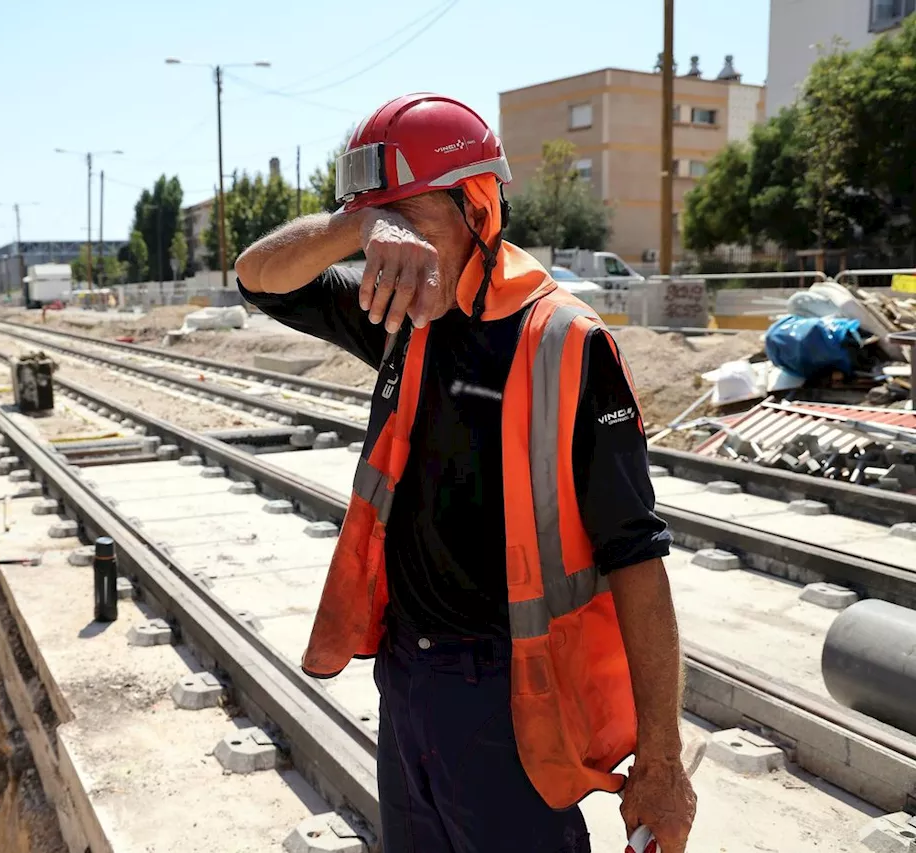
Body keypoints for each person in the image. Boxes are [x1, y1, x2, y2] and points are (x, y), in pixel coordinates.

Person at [235, 93, 696, 853]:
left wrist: (663, 757)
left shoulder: (566, 343)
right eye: (382, 226)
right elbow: (259, 277)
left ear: (477, 206)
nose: (396, 248)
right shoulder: (395, 307)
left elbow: (638, 558)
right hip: (405, 680)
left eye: (412, 221)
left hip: (511, 699)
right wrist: (359, 224)